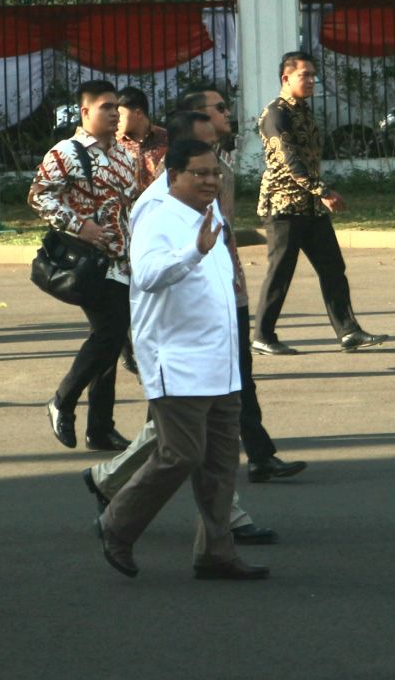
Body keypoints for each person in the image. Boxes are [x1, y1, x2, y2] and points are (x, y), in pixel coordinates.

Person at [83, 107, 297, 547]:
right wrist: (193, 253)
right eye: (199, 172)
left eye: (214, 171)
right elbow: (146, 276)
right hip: (178, 359)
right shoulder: (157, 212)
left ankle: (217, 554)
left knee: (218, 463)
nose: (210, 180)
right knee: (180, 453)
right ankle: (117, 524)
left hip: (219, 357)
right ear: (171, 170)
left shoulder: (205, 206)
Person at [177, 86, 309, 482]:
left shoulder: (217, 164)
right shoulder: (176, 171)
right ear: (197, 118)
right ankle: (117, 476)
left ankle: (259, 455)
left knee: (236, 379)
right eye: (218, 109)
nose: (227, 114)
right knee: (188, 396)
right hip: (197, 292)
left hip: (225, 285)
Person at [252, 50, 387, 355]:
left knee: (332, 267)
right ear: (286, 78)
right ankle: (262, 335)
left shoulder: (303, 111)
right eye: (305, 75)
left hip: (310, 206)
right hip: (283, 205)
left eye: (313, 75)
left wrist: (318, 193)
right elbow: (290, 161)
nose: (312, 81)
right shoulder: (276, 113)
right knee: (281, 271)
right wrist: (323, 191)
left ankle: (348, 331)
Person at [29, 80, 134, 451]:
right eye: (105, 107)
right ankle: (62, 400)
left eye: (116, 107)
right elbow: (39, 197)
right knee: (110, 332)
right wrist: (81, 226)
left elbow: (128, 207)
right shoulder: (67, 152)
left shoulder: (123, 155)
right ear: (85, 111)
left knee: (110, 338)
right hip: (90, 264)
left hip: (121, 263)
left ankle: (100, 428)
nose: (113, 113)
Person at [115, 85, 168, 377]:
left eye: (120, 113)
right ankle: (126, 348)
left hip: (158, 227)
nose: (116, 119)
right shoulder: (113, 143)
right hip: (123, 228)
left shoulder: (166, 139)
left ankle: (155, 350)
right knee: (122, 291)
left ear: (138, 113)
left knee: (155, 291)